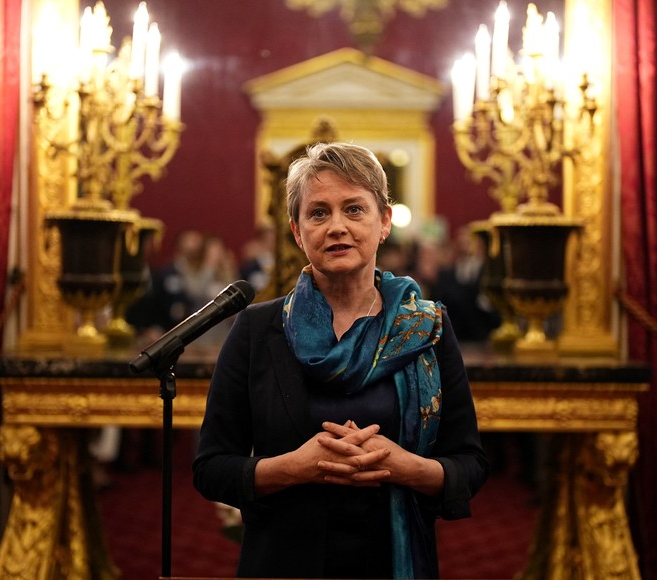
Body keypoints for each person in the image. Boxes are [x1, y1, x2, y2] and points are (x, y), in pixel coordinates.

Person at [192, 142, 490, 579]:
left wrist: (405, 467)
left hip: (392, 560)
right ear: (296, 231)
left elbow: (470, 464)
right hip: (283, 561)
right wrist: (292, 468)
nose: (337, 227)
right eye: (318, 213)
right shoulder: (258, 329)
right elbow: (212, 469)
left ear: (384, 222)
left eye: (354, 210)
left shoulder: (427, 328)